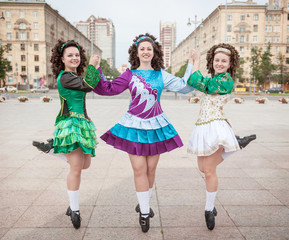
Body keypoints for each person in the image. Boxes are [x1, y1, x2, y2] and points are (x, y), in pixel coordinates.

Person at [93, 33, 195, 232]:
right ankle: (145, 213)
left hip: (156, 126)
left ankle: (144, 203)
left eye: (149, 49)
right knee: (139, 169)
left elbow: (185, 87)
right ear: (137, 53)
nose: (146, 52)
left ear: (154, 52)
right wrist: (97, 69)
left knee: (150, 170)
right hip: (134, 126)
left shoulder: (161, 75)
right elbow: (108, 89)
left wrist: (192, 63)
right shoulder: (129, 74)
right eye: (142, 49)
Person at [186, 43, 256, 231]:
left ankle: (209, 209)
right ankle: (238, 143)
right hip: (204, 125)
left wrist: (196, 61)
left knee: (209, 170)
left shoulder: (226, 80)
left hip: (214, 126)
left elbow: (198, 82)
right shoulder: (216, 77)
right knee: (202, 167)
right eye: (217, 60)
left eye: (224, 61)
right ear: (213, 61)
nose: (219, 63)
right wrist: (194, 61)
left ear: (230, 63)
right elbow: (199, 83)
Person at [34, 39, 101, 229]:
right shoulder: (64, 77)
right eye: (70, 55)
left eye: (77, 55)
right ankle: (74, 209)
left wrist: (93, 69)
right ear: (62, 59)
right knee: (76, 168)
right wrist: (94, 66)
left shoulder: (73, 76)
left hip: (83, 124)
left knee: (85, 164)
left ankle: (53, 149)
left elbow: (87, 83)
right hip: (71, 123)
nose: (74, 58)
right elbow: (89, 85)